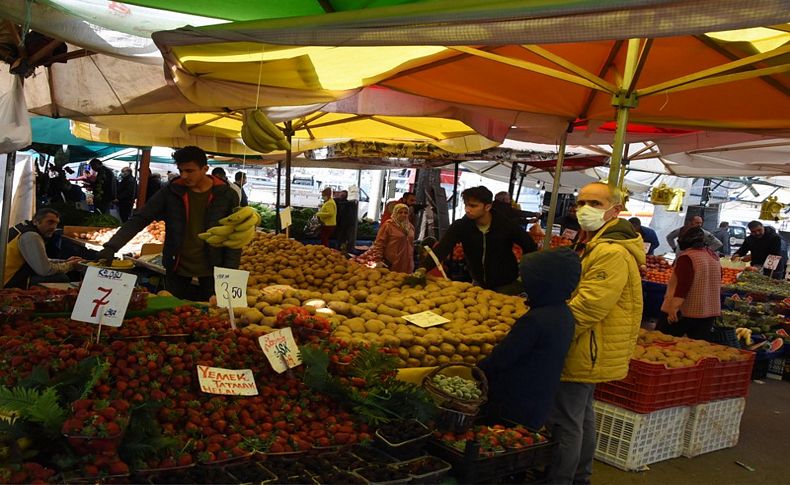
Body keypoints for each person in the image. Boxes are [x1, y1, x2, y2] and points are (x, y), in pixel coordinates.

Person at [547, 182, 644, 485]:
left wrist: (556, 336)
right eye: (580, 202)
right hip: (593, 344)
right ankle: (579, 477)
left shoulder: (610, 251)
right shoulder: (599, 244)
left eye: (596, 204)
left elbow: (590, 305)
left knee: (566, 420)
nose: (584, 209)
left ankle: (561, 479)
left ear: (616, 210)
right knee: (581, 415)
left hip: (587, 343)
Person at [96, 146, 241, 301]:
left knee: (216, 318)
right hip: (177, 265)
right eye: (181, 170)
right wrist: (112, 246)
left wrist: (230, 270)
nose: (184, 175)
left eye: (189, 171)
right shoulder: (171, 191)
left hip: (214, 267)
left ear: (205, 168)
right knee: (171, 312)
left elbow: (236, 234)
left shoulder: (226, 195)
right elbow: (141, 218)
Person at [478, 248, 581, 430]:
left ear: (542, 282)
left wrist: (478, 370)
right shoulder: (565, 314)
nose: (523, 282)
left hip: (513, 402)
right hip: (539, 401)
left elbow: (503, 357)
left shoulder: (535, 320)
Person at [417, 186, 537, 295]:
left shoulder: (505, 225)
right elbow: (443, 248)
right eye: (466, 205)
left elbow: (530, 246)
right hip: (478, 284)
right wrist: (424, 268)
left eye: (473, 206)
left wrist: (522, 276)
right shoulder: (461, 226)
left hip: (506, 285)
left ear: (487, 207)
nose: (468, 209)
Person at [658, 226, 722, 341]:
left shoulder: (687, 257)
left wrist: (674, 307)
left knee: (663, 342)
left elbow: (683, 285)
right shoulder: (713, 256)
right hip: (709, 312)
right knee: (696, 349)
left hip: (685, 312)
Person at [4, 208, 84, 289]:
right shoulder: (31, 236)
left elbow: (39, 261)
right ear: (36, 222)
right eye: (50, 222)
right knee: (61, 278)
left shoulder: (22, 227)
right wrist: (71, 265)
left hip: (7, 276)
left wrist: (65, 261)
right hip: (7, 281)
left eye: (56, 223)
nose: (54, 227)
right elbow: (45, 270)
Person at [355, 203, 415, 273]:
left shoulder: (411, 227)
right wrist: (378, 259)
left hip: (407, 261)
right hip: (392, 261)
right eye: (400, 212)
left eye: (406, 213)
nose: (403, 215)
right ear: (395, 213)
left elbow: (411, 244)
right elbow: (379, 243)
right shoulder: (388, 225)